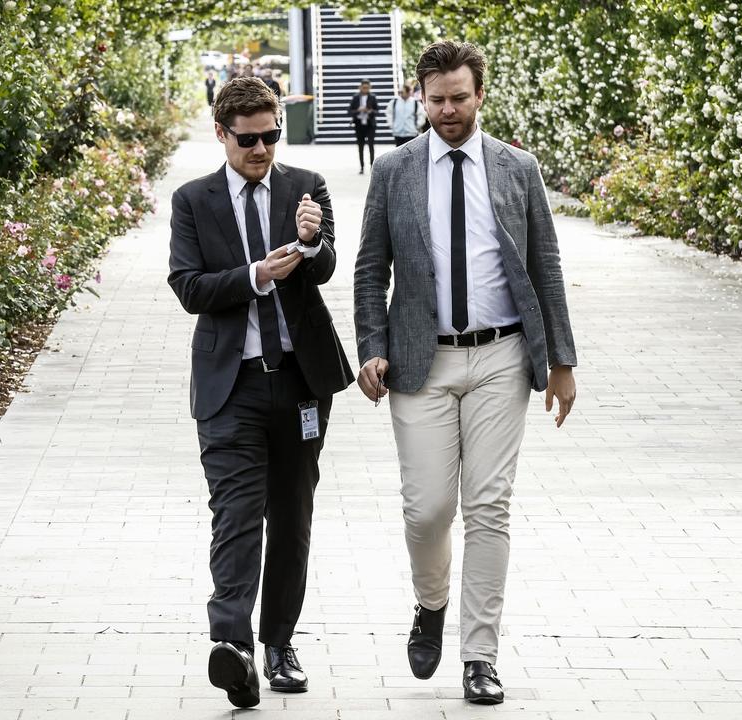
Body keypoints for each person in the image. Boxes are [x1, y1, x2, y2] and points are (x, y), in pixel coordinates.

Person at [352, 41, 577, 706]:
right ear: (419, 96)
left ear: (481, 94)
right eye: (436, 98)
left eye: (459, 97)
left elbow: (547, 265)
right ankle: (431, 602)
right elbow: (370, 269)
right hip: (420, 362)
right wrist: (371, 346)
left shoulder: (516, 168)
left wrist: (562, 363)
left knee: (489, 506)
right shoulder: (395, 170)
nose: (448, 110)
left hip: (503, 358)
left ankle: (480, 655)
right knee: (427, 510)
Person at [168, 76, 355, 709]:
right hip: (232, 386)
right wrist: (255, 275)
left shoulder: (306, 187)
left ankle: (279, 644)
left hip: (302, 383)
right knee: (236, 516)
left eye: (272, 136)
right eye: (249, 140)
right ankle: (234, 648)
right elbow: (189, 287)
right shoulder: (193, 200)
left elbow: (326, 270)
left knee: (292, 518)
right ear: (221, 134)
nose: (263, 150)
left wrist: (310, 242)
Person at [348, 79, 379, 174]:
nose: (365, 89)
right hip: (359, 124)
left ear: (370, 88)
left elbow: (377, 110)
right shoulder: (356, 97)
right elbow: (349, 111)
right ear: (360, 87)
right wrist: (358, 110)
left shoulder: (373, 97)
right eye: (363, 87)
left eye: (367, 88)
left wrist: (370, 111)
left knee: (371, 146)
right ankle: (362, 167)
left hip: (370, 124)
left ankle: (372, 166)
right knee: (360, 146)